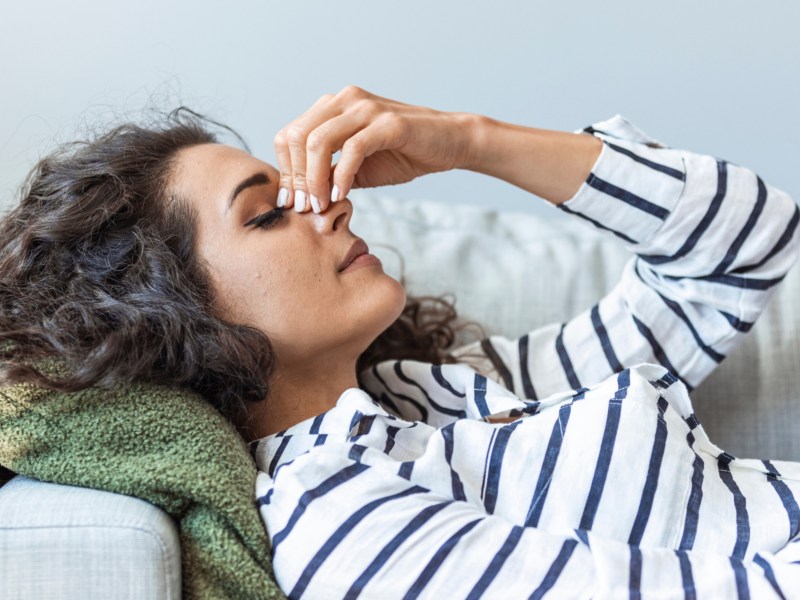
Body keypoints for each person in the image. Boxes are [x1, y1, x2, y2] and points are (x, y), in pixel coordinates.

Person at [0, 85, 798, 598]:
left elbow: (744, 248)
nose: (334, 209)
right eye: (269, 213)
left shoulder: (443, 389)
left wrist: (471, 139)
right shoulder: (345, 525)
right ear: (168, 313)